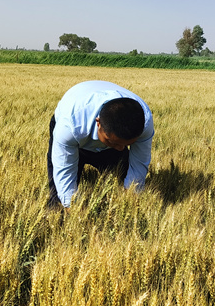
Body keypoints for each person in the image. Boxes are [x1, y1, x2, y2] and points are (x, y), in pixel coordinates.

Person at [47, 80, 154, 210]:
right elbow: (64, 171)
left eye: (127, 145)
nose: (121, 148)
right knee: (58, 198)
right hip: (75, 133)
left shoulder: (144, 123)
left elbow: (139, 163)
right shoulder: (70, 125)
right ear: (98, 123)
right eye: (113, 142)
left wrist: (130, 200)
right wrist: (73, 209)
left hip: (108, 131)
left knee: (125, 184)